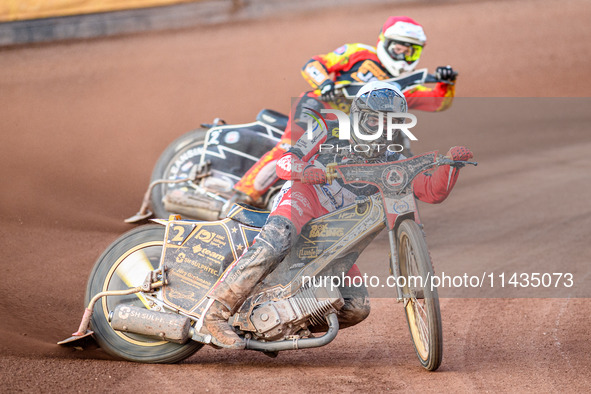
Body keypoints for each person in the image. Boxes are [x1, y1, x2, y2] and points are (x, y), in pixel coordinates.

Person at [203, 81, 473, 349]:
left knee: (357, 306)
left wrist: (451, 166)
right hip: (304, 199)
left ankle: (281, 323)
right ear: (358, 116)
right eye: (374, 121)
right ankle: (215, 314)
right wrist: (305, 171)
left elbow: (429, 191)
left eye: (391, 123)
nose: (382, 129)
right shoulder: (329, 129)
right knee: (277, 241)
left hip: (337, 235)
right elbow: (285, 161)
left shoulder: (392, 158)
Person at [227, 15, 458, 208]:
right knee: (292, 148)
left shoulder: (405, 86)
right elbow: (313, 64)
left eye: (411, 51)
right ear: (385, 43)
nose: (404, 56)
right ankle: (242, 195)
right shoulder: (357, 53)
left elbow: (438, 103)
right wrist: (324, 83)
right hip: (317, 108)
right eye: (399, 48)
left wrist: (446, 83)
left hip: (349, 129)